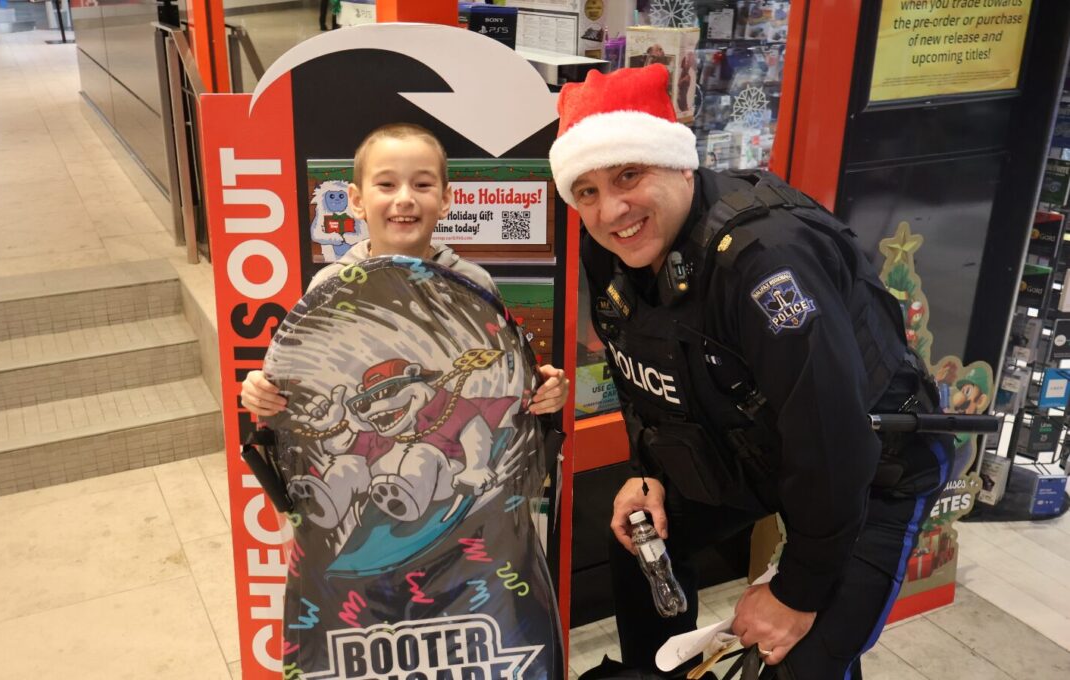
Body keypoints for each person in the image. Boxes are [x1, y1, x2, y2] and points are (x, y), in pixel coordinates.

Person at [548, 65, 952, 679]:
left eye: (629, 174)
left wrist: (796, 591)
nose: (612, 209)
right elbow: (645, 375)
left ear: (680, 163)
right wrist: (647, 476)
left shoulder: (766, 259)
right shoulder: (613, 244)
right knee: (639, 540)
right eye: (587, 191)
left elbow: (834, 443)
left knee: (795, 656)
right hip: (757, 448)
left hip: (874, 466)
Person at [242, 123, 570, 420]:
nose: (404, 199)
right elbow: (305, 378)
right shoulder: (329, 287)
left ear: (445, 200)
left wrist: (543, 389)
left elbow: (502, 375)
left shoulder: (473, 285)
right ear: (356, 201)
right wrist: (264, 391)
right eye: (386, 184)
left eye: (422, 184)